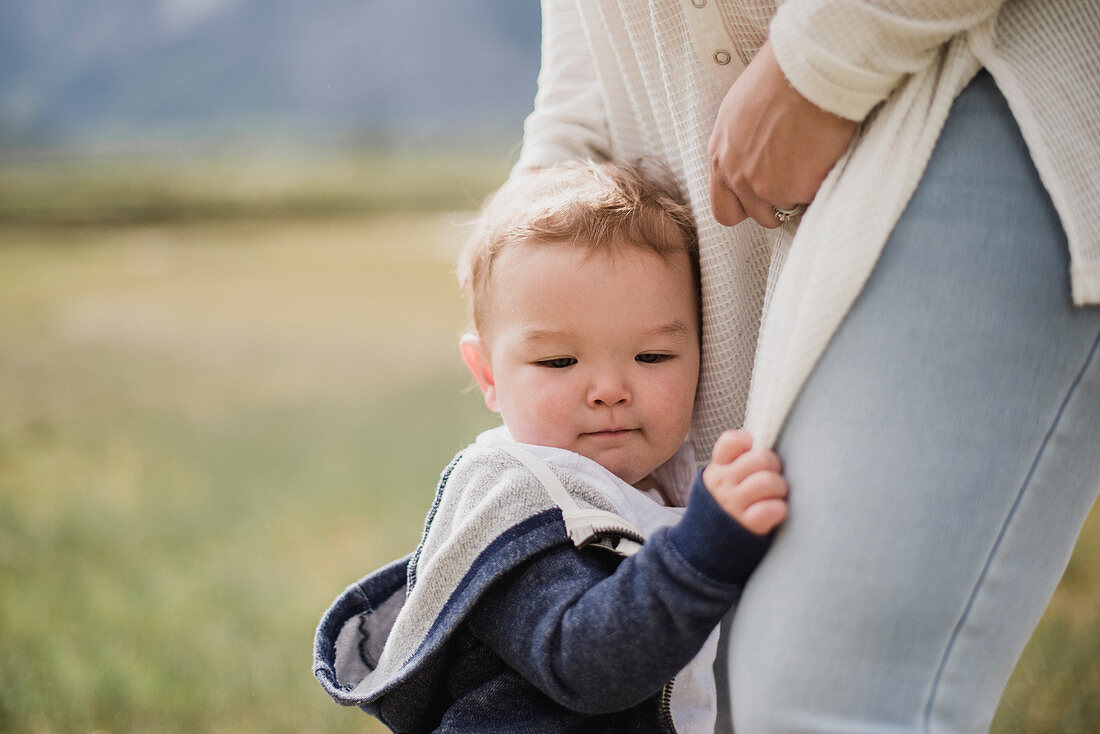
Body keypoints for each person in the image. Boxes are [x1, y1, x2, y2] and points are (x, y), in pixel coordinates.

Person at [518, 1, 1100, 732]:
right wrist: (518, 290)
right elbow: (582, 68)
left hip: (980, 84)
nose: (604, 390)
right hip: (727, 253)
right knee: (726, 701)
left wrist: (818, 63)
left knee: (823, 702)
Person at [313, 159, 789, 732]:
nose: (610, 390)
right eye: (559, 361)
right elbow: (584, 665)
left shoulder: (662, 480)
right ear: (487, 374)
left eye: (652, 357)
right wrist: (701, 552)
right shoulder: (512, 504)